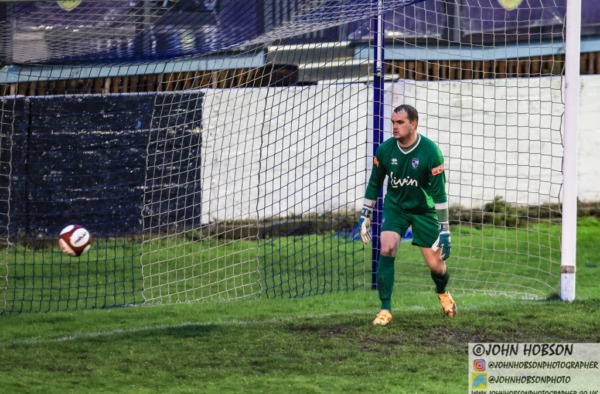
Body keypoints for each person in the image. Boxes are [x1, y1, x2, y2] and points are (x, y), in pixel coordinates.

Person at [358, 104, 456, 326]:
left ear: (413, 124)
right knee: (387, 247)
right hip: (396, 208)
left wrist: (445, 229)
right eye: (393, 122)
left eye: (400, 122)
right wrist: (365, 214)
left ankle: (442, 292)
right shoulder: (385, 150)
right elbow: (375, 183)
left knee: (436, 266)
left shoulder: (431, 152)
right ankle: (385, 309)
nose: (395, 126)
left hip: (425, 210)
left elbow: (440, 195)